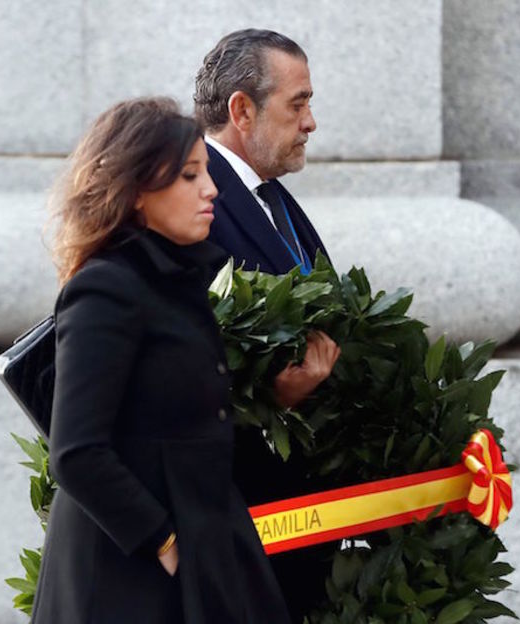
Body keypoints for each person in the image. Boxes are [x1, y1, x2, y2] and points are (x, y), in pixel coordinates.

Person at [31, 97, 290, 623]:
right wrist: (164, 541)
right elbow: (77, 451)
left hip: (197, 556)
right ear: (138, 190)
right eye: (190, 175)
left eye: (207, 173)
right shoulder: (106, 288)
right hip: (129, 581)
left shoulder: (174, 282)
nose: (212, 189)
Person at [194, 28, 340, 621]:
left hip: (293, 514)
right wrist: (273, 399)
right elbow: (182, 357)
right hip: (239, 518)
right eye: (298, 103)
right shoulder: (196, 199)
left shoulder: (271, 196)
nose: (310, 122)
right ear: (242, 110)